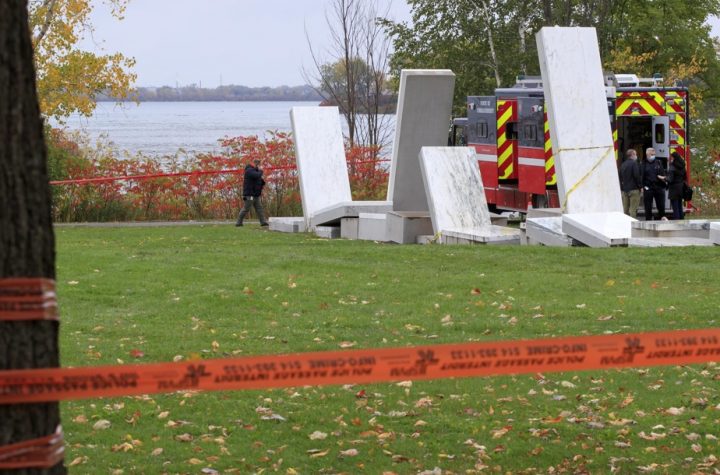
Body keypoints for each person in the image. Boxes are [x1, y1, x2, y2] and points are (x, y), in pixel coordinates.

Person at [235, 158, 268, 226]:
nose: (257, 164)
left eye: (258, 163)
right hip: (249, 195)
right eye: (256, 163)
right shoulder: (249, 170)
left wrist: (262, 183)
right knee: (246, 208)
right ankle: (239, 222)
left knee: (259, 208)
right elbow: (257, 175)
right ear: (252, 163)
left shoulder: (255, 171)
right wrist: (261, 171)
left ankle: (263, 222)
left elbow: (258, 179)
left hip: (256, 195)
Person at [640, 147, 667, 220]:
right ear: (647, 154)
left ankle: (662, 218)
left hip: (659, 187)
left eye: (654, 154)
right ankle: (648, 220)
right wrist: (642, 187)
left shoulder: (658, 162)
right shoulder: (643, 163)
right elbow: (641, 176)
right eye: (651, 154)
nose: (653, 155)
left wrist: (663, 178)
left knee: (661, 206)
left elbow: (663, 173)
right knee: (648, 206)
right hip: (648, 187)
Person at [619, 148, 642, 217]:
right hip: (634, 189)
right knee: (633, 209)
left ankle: (624, 224)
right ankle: (632, 225)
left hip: (625, 189)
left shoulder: (623, 164)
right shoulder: (634, 164)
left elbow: (620, 176)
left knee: (625, 209)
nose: (636, 156)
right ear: (632, 155)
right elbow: (636, 176)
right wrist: (640, 186)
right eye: (636, 154)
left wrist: (622, 187)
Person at [667, 151, 687, 220]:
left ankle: (677, 222)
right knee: (679, 207)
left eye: (671, 157)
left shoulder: (673, 166)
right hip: (681, 188)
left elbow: (670, 179)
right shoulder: (682, 166)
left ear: (674, 158)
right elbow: (685, 177)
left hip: (674, 189)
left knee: (675, 208)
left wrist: (663, 178)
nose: (670, 159)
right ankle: (682, 221)